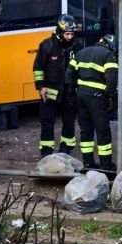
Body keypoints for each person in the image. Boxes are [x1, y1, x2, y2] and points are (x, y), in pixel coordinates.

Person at [32, 14, 81, 157]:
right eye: (67, 34)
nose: (69, 37)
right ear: (59, 32)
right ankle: (46, 150)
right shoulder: (47, 45)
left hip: (70, 92)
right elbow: (38, 68)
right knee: (47, 122)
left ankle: (66, 148)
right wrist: (40, 87)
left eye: (72, 34)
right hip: (49, 92)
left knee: (69, 122)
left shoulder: (76, 47)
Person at [68, 34, 119, 171]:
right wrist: (110, 97)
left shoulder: (81, 53)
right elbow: (112, 78)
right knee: (103, 131)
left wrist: (72, 94)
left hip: (81, 96)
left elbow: (69, 74)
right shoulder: (108, 55)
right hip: (97, 98)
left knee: (86, 131)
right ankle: (106, 165)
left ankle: (88, 163)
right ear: (111, 45)